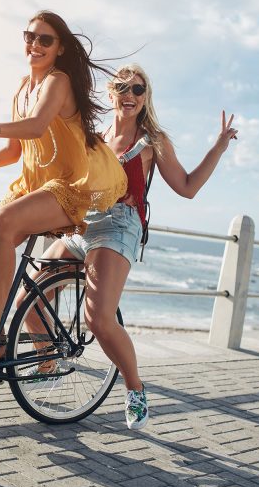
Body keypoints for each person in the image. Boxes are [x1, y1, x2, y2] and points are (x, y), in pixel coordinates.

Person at [23, 63, 238, 430]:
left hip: (120, 226)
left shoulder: (152, 141)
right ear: (112, 94)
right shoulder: (96, 137)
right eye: (123, 87)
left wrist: (218, 148)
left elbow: (187, 187)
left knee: (97, 317)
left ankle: (135, 389)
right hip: (85, 224)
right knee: (30, 293)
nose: (131, 95)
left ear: (145, 98)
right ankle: (49, 360)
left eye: (139, 90)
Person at [0, 10, 128, 362]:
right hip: (32, 186)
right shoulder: (22, 89)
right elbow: (14, 151)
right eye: (29, 36)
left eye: (45, 39)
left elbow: (36, 127)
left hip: (68, 186)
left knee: (2, 222)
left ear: (59, 48)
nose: (35, 44)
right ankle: (30, 349)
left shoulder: (58, 81)